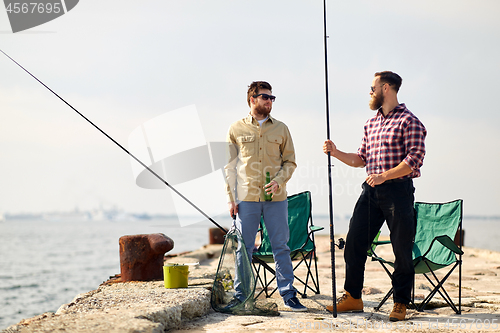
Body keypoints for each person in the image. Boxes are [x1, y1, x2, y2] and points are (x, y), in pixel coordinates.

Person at [323, 71, 426, 321]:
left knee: (401, 249)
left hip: (398, 193)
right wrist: (336, 153)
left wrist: (385, 176)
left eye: (373, 87)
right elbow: (361, 159)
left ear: (386, 88)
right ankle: (353, 297)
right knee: (354, 243)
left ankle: (400, 302)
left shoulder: (410, 122)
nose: (370, 91)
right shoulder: (371, 124)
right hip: (370, 192)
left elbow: (413, 161)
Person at [224, 81, 306, 311]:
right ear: (252, 99)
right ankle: (241, 295)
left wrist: (279, 182)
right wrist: (231, 198)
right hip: (246, 198)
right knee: (244, 248)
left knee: (281, 246)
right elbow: (229, 166)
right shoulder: (236, 129)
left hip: (276, 201)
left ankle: (288, 293)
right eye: (265, 97)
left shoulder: (281, 129)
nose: (270, 101)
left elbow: (290, 162)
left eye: (271, 98)